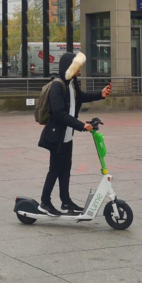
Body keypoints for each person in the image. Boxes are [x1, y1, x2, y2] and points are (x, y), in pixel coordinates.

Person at [37, 51, 111, 216]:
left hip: (67, 135)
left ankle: (66, 201)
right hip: (56, 135)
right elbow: (59, 113)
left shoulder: (72, 83)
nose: (79, 71)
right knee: (55, 169)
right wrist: (81, 125)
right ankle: (45, 202)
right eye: (77, 68)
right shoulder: (58, 85)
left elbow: (81, 97)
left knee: (66, 168)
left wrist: (100, 94)